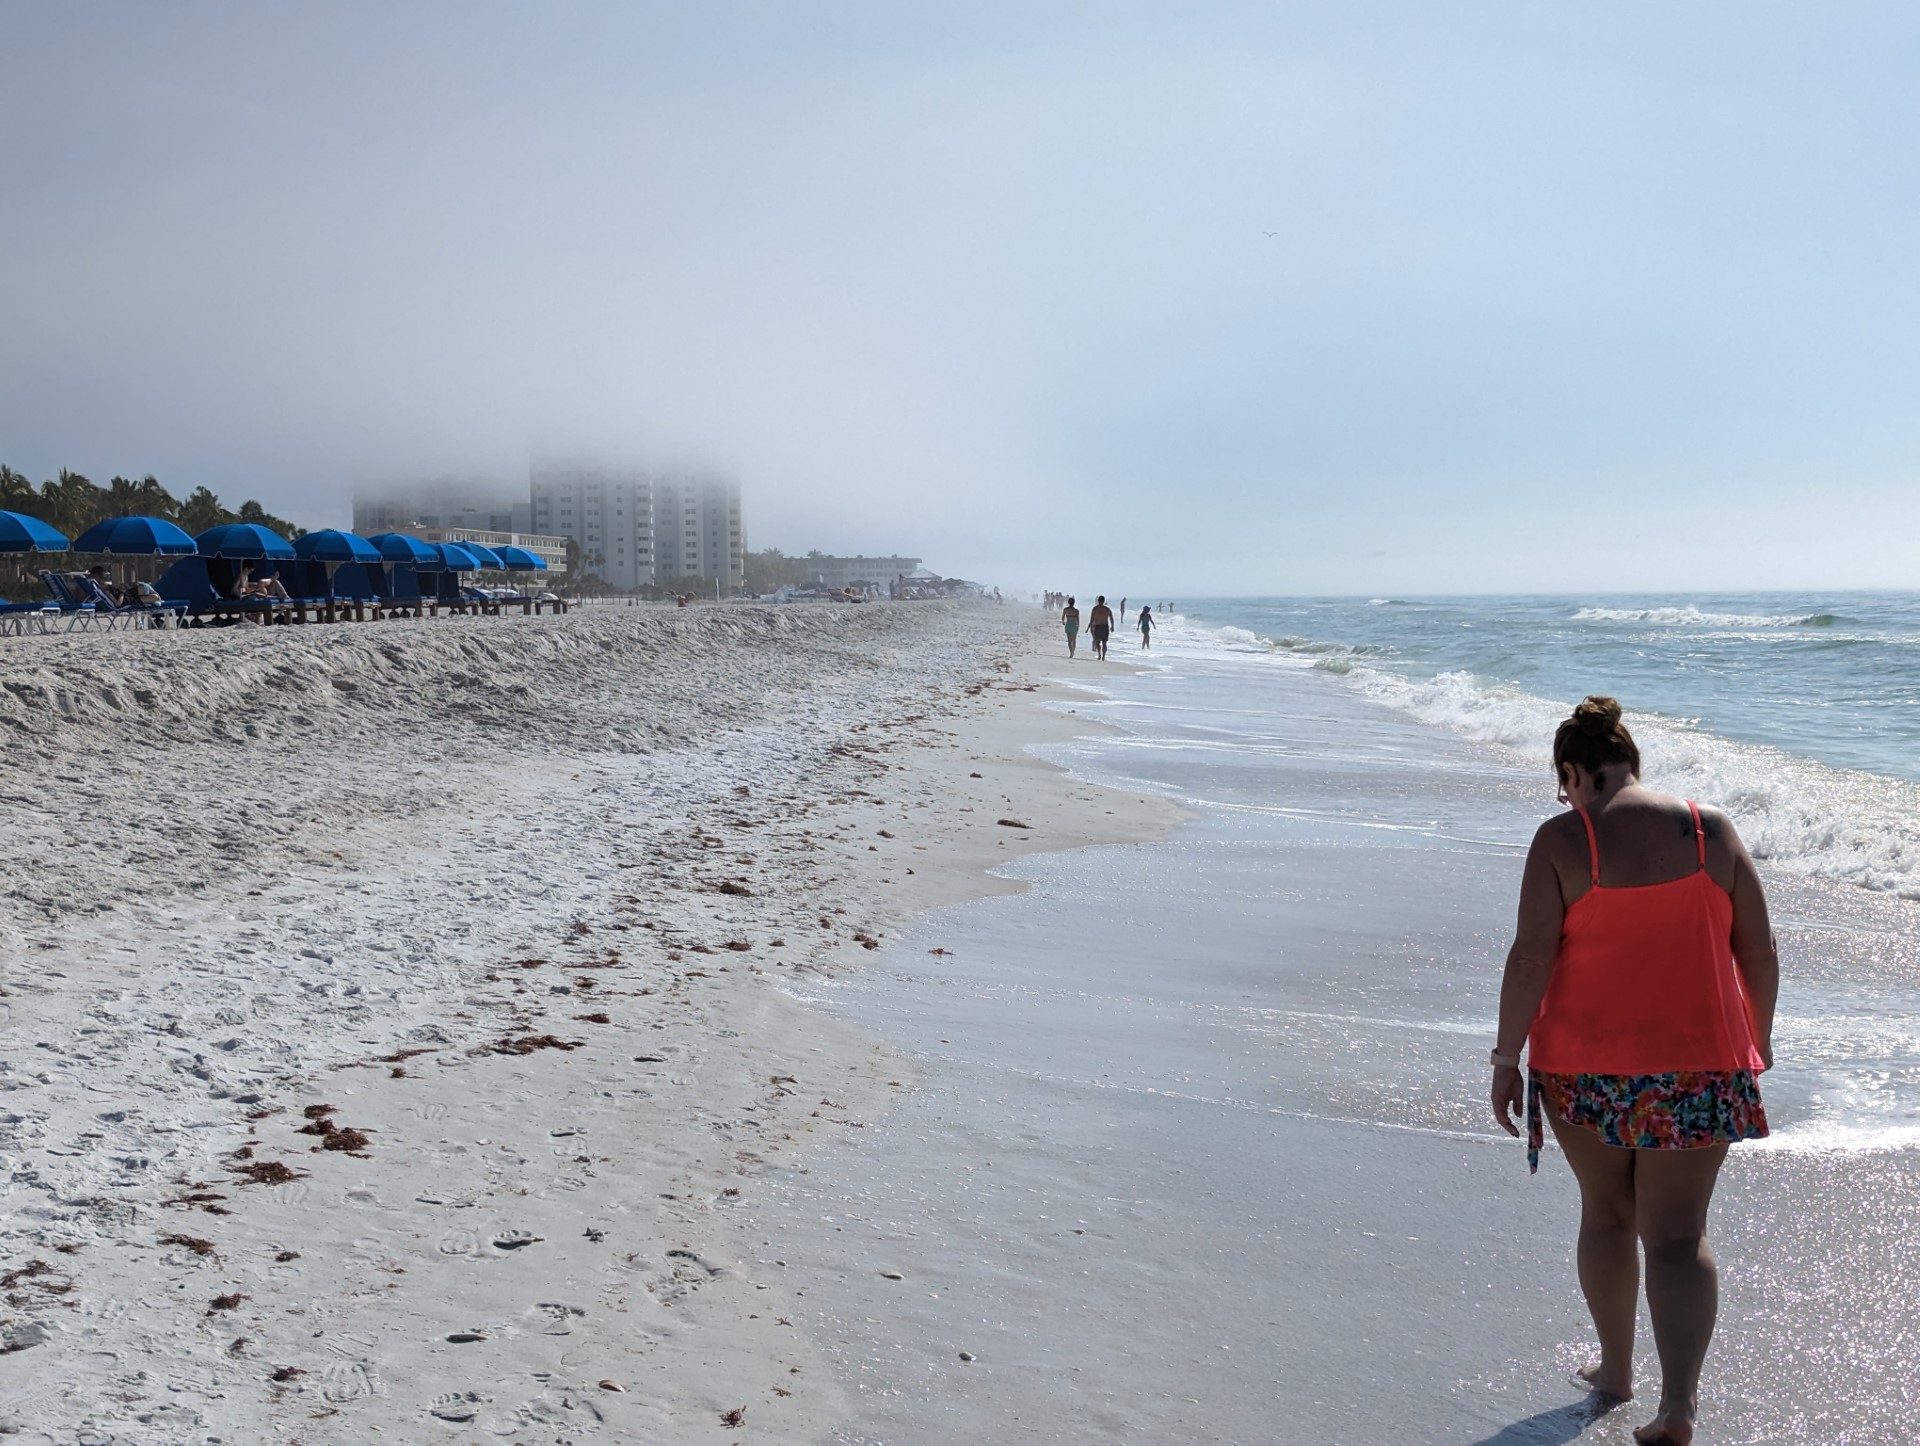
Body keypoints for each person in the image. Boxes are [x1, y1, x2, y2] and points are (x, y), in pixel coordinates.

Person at [1491, 697, 1777, 1446]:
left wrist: (1505, 1058)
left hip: (1585, 1069)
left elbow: (1530, 960)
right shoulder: (1710, 829)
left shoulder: (1564, 839)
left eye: (1565, 784)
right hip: (1703, 1068)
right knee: (1679, 1236)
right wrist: (1757, 1043)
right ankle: (1678, 1407)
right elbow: (1758, 951)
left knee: (1607, 1214)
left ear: (1573, 772)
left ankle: (1616, 1373)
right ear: (1631, 761)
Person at [1088, 595, 1114, 660]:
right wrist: (1112, 626)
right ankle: (1101, 655)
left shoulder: (1096, 609)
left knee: (1100, 642)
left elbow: (1092, 619)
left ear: (1098, 600)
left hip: (1100, 626)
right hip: (1102, 626)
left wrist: (1090, 627)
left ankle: (1102, 655)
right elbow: (1111, 618)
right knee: (1101, 642)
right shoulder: (1105, 609)